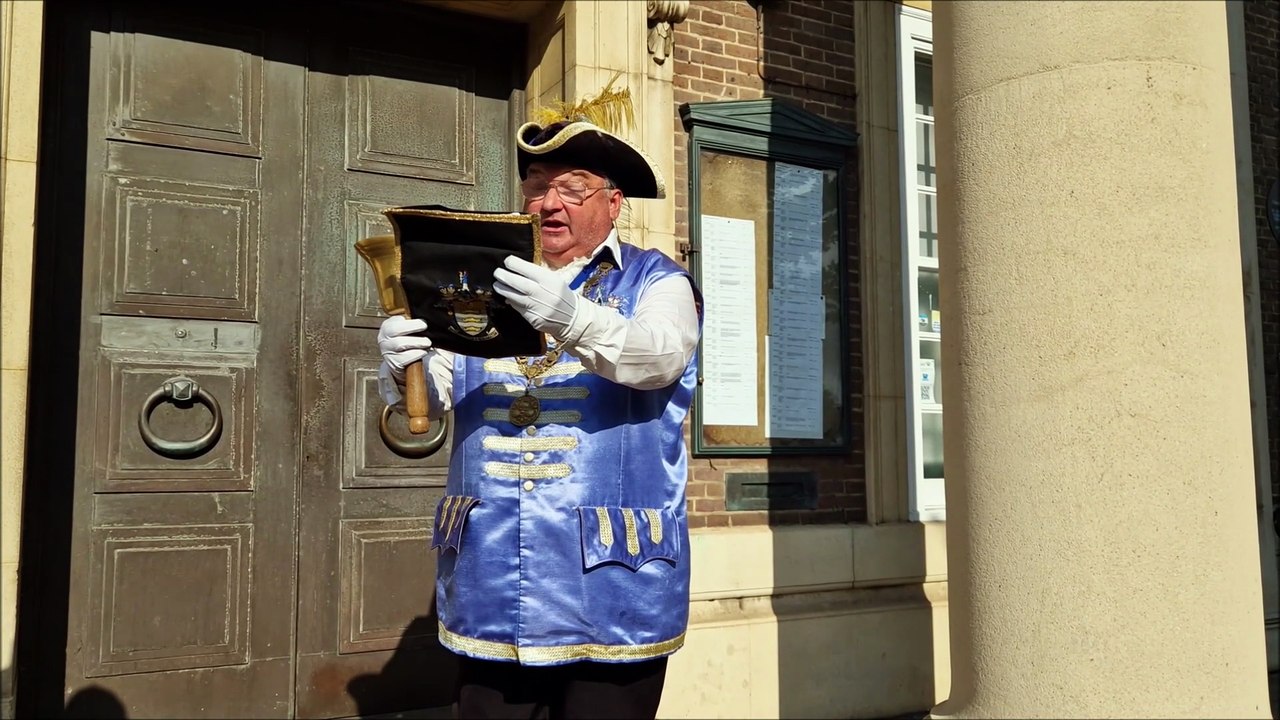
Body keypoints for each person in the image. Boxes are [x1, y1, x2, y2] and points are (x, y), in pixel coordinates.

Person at [375, 88, 702, 720]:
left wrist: (571, 316)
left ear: (613, 203)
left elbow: (660, 357)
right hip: (493, 575)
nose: (549, 202)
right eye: (536, 185)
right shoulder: (473, 278)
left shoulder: (658, 280)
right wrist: (404, 364)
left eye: (573, 187)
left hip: (611, 584)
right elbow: (433, 404)